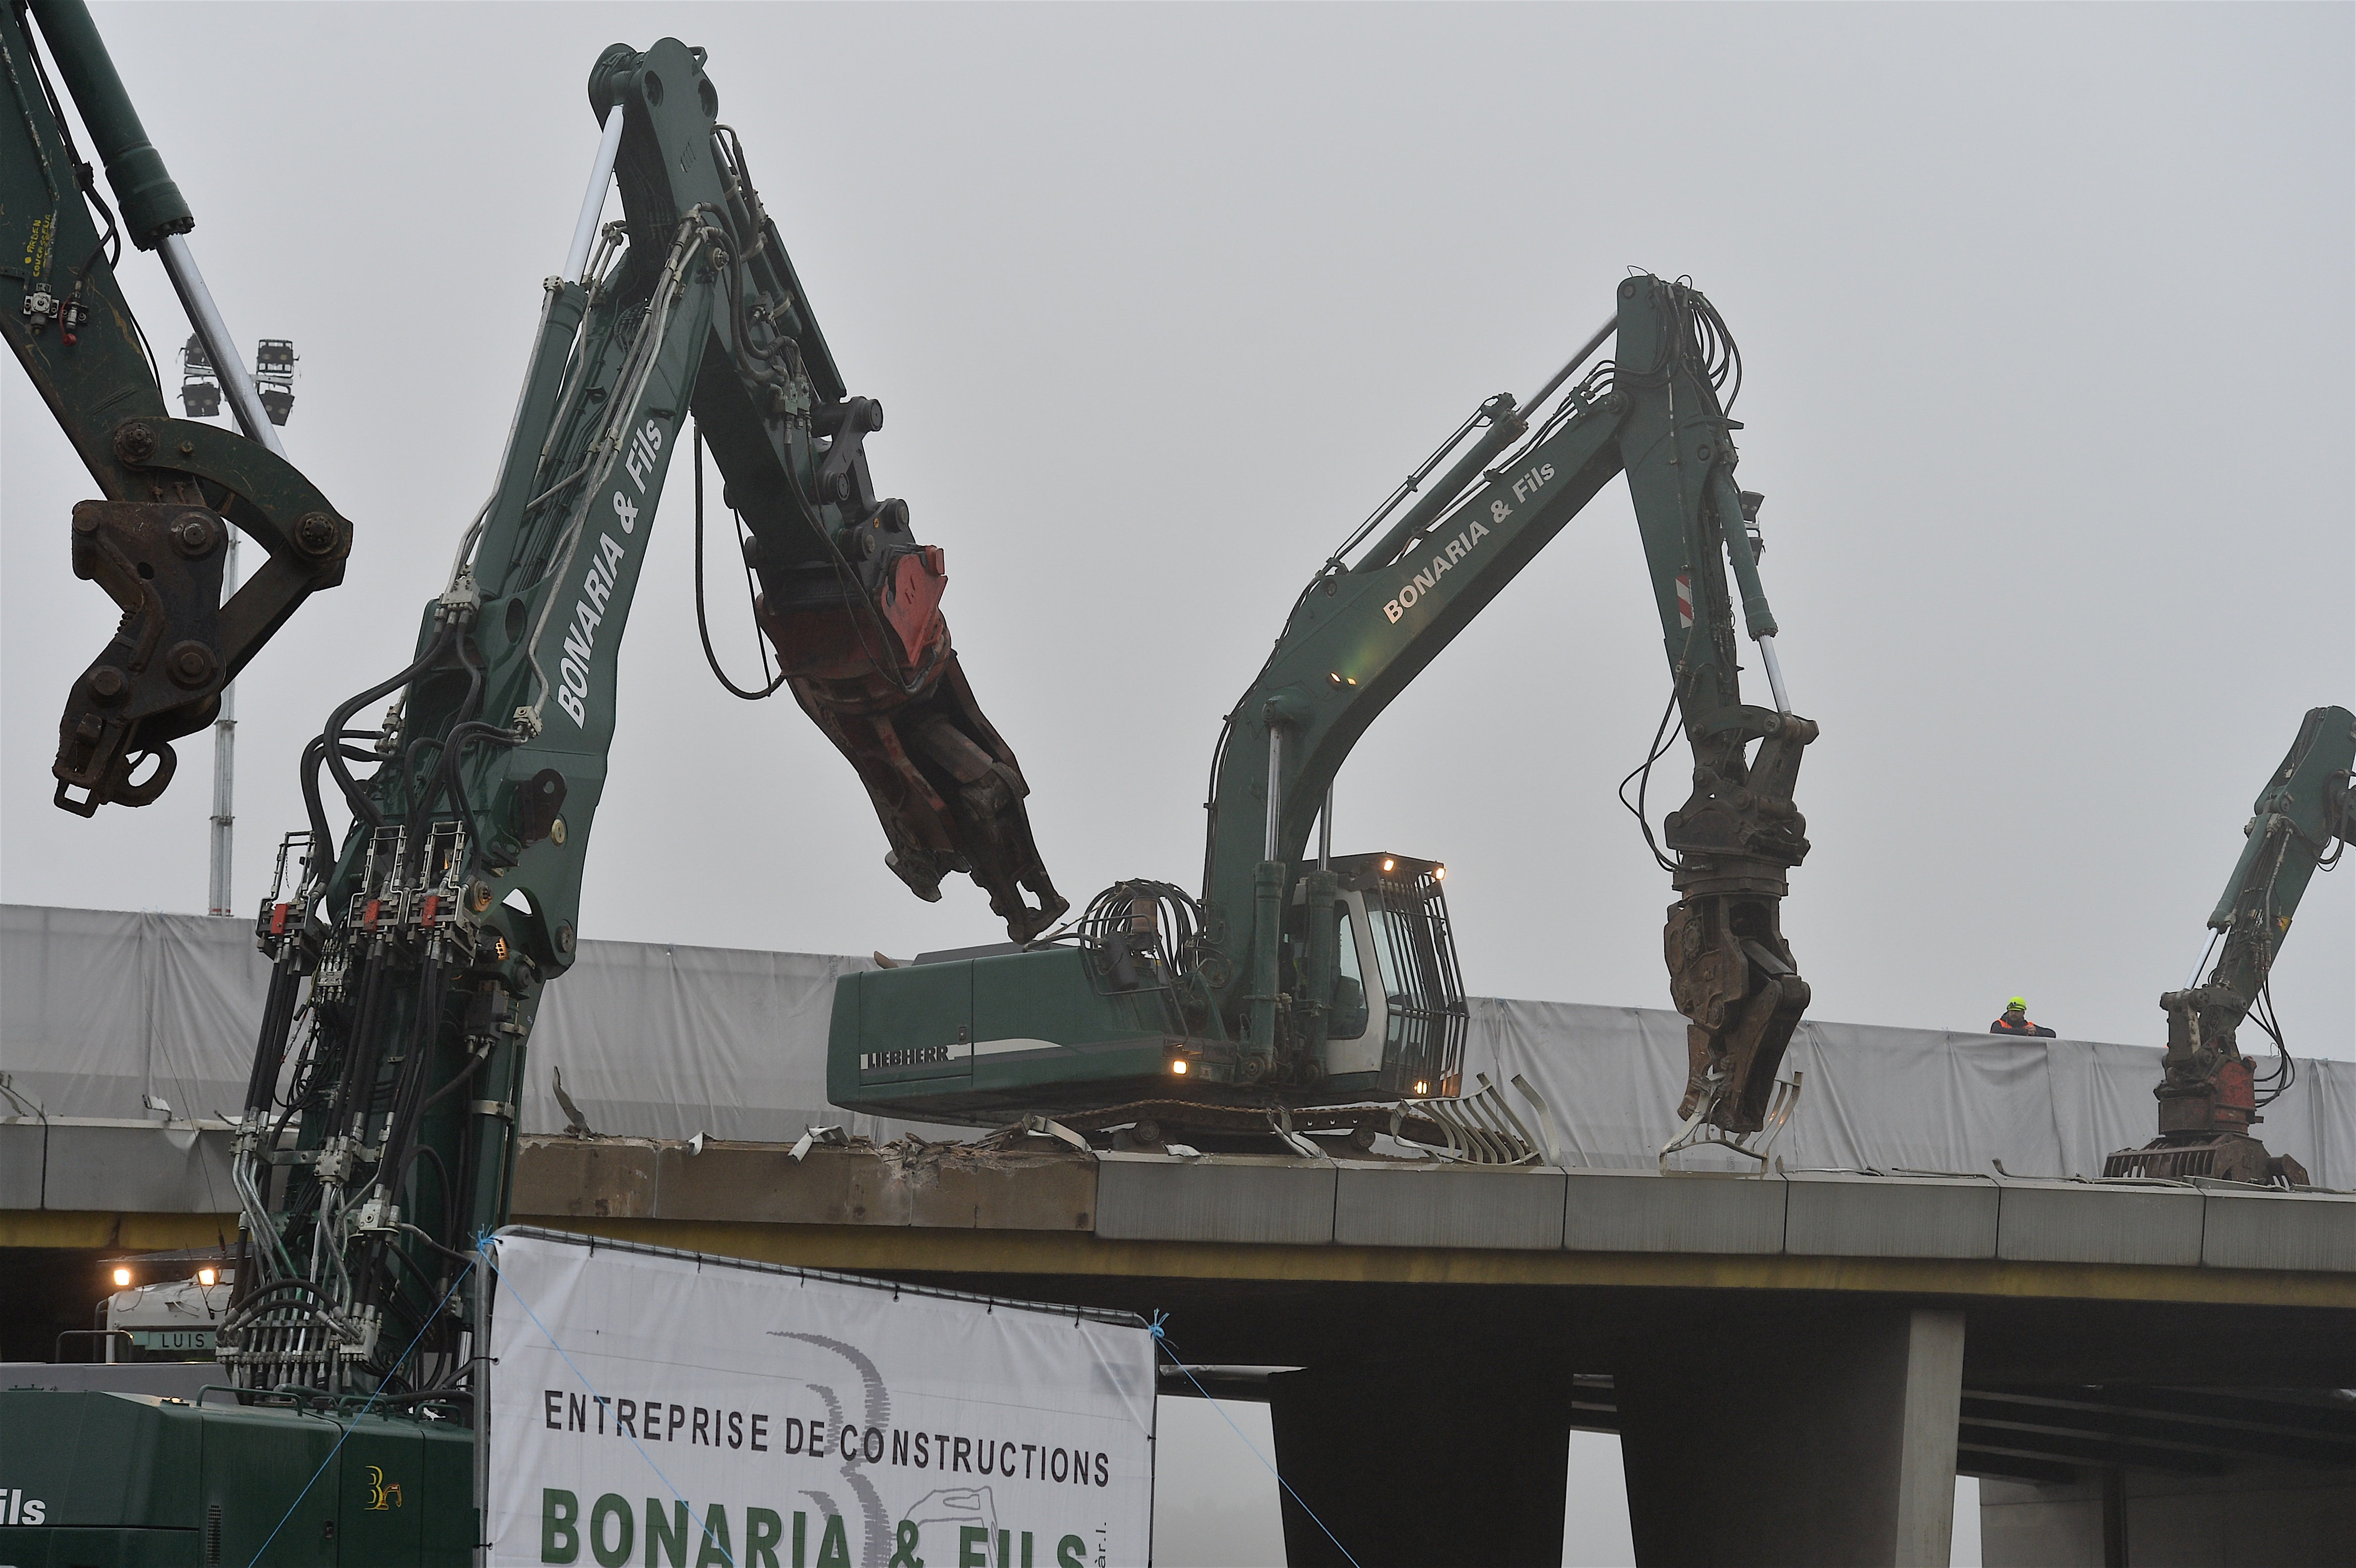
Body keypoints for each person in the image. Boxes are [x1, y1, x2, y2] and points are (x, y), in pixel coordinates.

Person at [1989, 997, 2056, 1037]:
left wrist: (2036, 1033)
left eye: (2017, 1011)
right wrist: (2024, 1032)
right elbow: (1998, 1031)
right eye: (2012, 1011)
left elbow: (2052, 1034)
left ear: (2023, 1013)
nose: (2014, 1013)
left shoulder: (2029, 1026)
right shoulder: (1999, 1024)